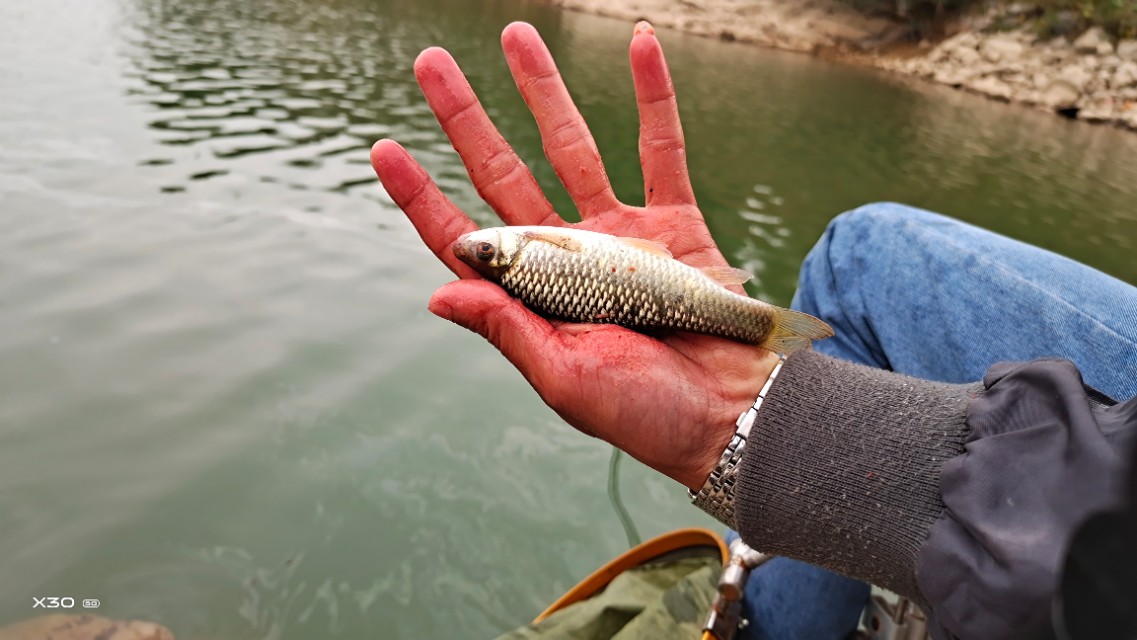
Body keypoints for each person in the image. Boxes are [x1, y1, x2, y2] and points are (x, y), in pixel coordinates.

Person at [368, 20, 1137, 640]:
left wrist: (745, 420)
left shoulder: (523, 256)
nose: (490, 246)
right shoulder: (536, 259)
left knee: (858, 256)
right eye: (492, 253)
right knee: (856, 255)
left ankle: (768, 620)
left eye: (490, 254)